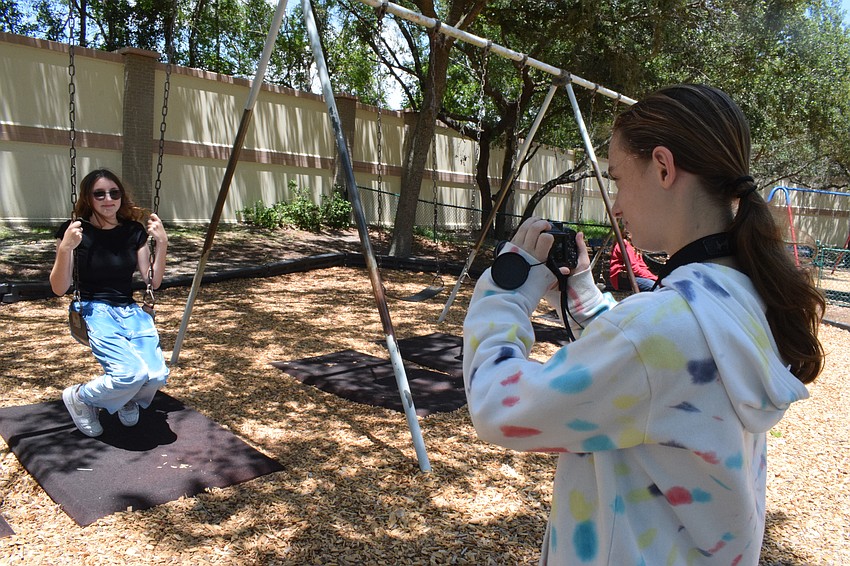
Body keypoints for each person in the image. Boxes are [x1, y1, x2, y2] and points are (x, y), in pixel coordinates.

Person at [463, 84, 824, 565]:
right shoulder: (742, 293)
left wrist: (507, 291)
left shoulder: (658, 332)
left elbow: (497, 407)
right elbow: (656, 373)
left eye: (616, 179)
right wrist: (583, 294)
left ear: (662, 166)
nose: (615, 204)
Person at [50, 169, 169, 438]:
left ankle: (125, 397)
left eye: (114, 193)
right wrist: (65, 248)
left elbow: (154, 281)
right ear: (88, 198)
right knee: (130, 374)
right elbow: (59, 288)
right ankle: (82, 397)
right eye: (99, 194)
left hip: (129, 310)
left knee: (157, 375)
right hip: (94, 309)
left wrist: (161, 243)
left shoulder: (133, 232)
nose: (108, 199)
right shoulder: (75, 231)